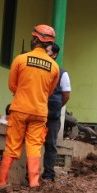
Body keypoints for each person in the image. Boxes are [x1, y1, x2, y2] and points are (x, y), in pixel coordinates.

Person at [0, 24, 60, 191]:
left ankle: (1, 182)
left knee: (12, 145)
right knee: (34, 147)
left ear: (36, 39)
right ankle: (34, 183)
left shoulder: (20, 59)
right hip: (39, 112)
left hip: (20, 109)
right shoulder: (54, 67)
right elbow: (49, 91)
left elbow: (12, 85)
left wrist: (24, 94)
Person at [42, 42, 71, 183]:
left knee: (50, 143)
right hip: (37, 113)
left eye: (46, 51)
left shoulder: (62, 73)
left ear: (54, 55)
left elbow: (66, 95)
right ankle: (31, 174)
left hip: (52, 115)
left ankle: (48, 174)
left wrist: (56, 106)